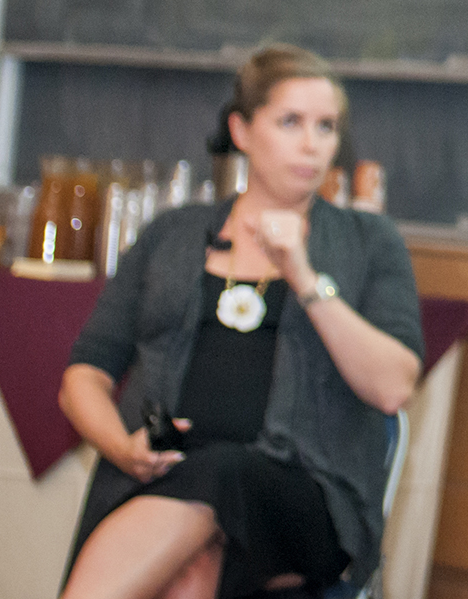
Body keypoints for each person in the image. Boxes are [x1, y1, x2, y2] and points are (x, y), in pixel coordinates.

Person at [59, 45, 423, 599]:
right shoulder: (173, 234)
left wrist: (302, 275)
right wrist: (121, 447)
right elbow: (84, 374)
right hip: (160, 480)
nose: (312, 143)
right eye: (290, 122)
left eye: (326, 127)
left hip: (300, 500)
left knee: (221, 474)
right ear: (243, 129)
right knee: (193, 561)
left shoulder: (369, 243)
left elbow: (393, 386)